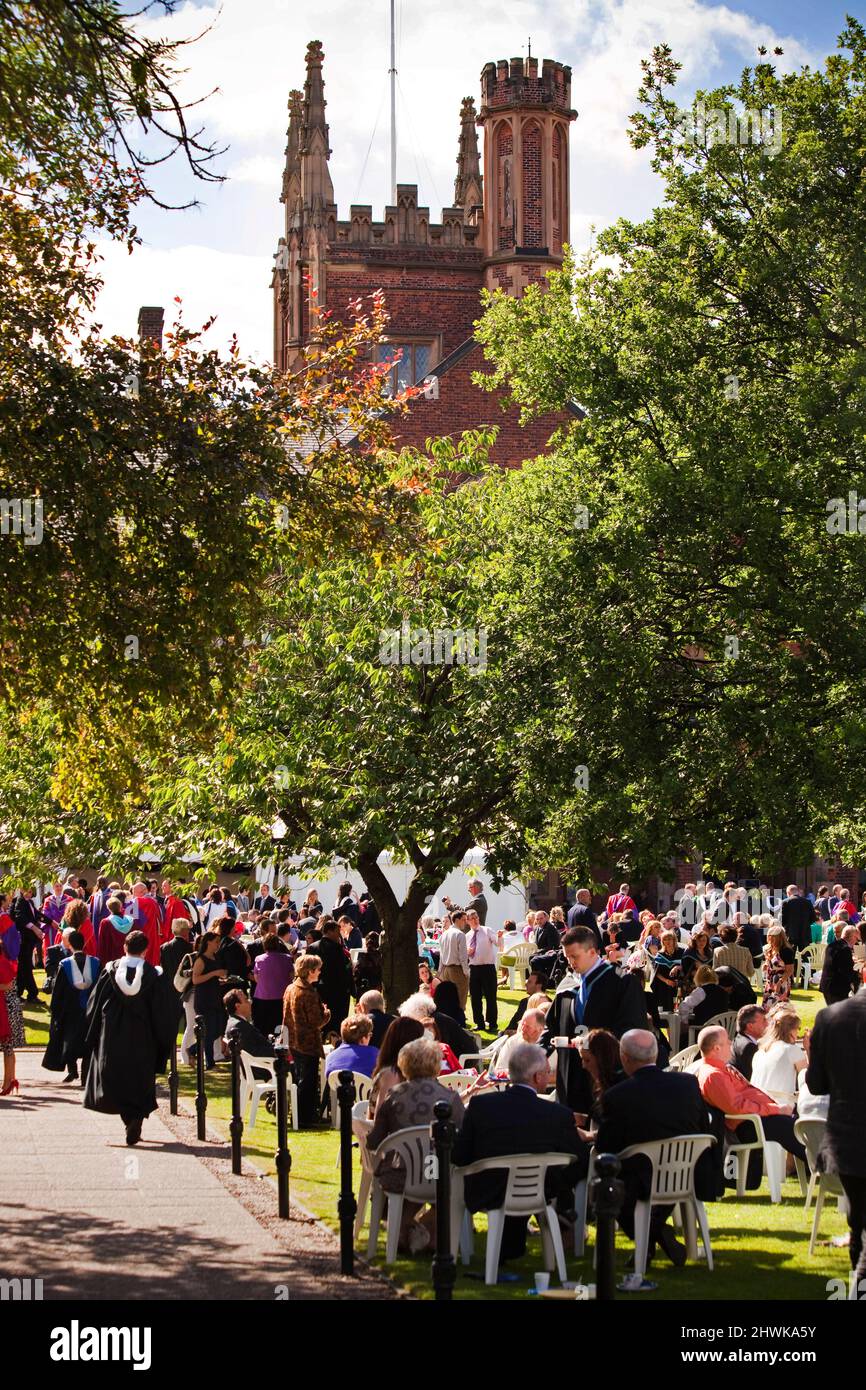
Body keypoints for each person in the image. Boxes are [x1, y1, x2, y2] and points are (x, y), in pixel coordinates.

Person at [595, 1030, 714, 1273]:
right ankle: (658, 1232)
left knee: (608, 1188)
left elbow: (606, 1148)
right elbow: (703, 1126)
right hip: (686, 1172)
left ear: (624, 1058)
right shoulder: (687, 1084)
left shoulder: (618, 1096)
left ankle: (653, 1235)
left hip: (640, 1179)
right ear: (656, 1054)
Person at [452, 1041, 584, 1261]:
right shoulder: (557, 1114)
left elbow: (460, 1155)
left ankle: (511, 1245)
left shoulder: (481, 1106)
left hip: (488, 1189)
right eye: (547, 1072)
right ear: (536, 1077)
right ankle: (561, 1219)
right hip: (537, 1191)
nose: (549, 1076)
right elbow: (578, 1158)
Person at [368, 1036, 465, 1253]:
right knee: (447, 1182)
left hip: (402, 1172)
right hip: (437, 1172)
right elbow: (463, 1139)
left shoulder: (394, 1096)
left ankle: (403, 1229)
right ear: (436, 1064)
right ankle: (431, 1236)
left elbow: (375, 1140)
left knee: (412, 1172)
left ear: (404, 1064)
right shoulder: (450, 1098)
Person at [82, 930, 176, 1145]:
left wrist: (93, 1033)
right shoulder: (154, 976)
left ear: (125, 948)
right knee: (140, 1079)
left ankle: (129, 1119)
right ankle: (135, 1119)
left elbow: (95, 1006)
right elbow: (164, 1012)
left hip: (113, 1036)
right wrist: (163, 1038)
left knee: (116, 1078)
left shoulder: (110, 972)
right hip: (143, 1036)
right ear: (145, 950)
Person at [541, 926, 649, 1112]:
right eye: (567, 957)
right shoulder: (568, 990)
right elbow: (551, 1027)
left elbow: (632, 1030)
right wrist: (537, 1055)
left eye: (575, 956)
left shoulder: (622, 983)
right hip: (570, 1078)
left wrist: (593, 1043)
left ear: (592, 952)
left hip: (606, 1078)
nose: (571, 962)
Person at [805, 985, 866, 1290]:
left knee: (858, 1221)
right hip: (848, 1135)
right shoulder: (829, 1017)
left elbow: (816, 1084)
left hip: (847, 1137)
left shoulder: (830, 1017)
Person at [696, 1025, 806, 1181]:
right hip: (750, 1124)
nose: (730, 1044)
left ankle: (824, 1162)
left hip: (758, 1119)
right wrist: (775, 1109)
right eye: (727, 1041)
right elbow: (737, 1107)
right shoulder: (713, 1075)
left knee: (800, 1126)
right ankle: (828, 1165)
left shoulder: (720, 1069)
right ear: (716, 1048)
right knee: (796, 1129)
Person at [42, 928, 100, 1083]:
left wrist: (55, 1011)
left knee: (69, 1040)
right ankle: (86, 1075)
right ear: (85, 943)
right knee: (88, 1042)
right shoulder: (95, 963)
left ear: (70, 946)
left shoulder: (64, 964)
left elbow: (58, 991)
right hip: (90, 1009)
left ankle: (72, 1071)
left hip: (70, 1011)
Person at [282, 953, 330, 1125]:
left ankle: (299, 1115)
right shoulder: (308, 993)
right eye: (317, 970)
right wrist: (326, 1013)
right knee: (307, 1083)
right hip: (307, 1042)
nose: (319, 972)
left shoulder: (291, 988)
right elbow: (316, 1021)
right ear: (310, 971)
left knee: (299, 1079)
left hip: (292, 1040)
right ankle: (305, 1118)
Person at [368, 1016, 425, 1115]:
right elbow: (380, 1117)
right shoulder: (391, 1074)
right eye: (420, 1039)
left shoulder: (410, 1072)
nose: (423, 1044)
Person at [306, 915, 353, 1035]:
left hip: (318, 989)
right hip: (336, 990)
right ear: (330, 931)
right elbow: (344, 970)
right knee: (335, 1021)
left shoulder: (312, 947)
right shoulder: (337, 948)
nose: (339, 935)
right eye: (337, 932)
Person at [160, 918, 196, 1065]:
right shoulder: (189, 948)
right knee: (189, 1023)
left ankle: (170, 1051)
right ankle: (187, 1053)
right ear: (184, 930)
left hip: (170, 988)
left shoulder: (164, 947)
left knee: (172, 1022)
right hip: (186, 988)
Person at [191, 931, 229, 1069]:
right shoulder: (200, 959)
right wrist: (214, 973)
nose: (218, 944)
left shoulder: (215, 957)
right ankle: (210, 1061)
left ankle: (193, 1049)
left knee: (219, 1028)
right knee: (208, 1030)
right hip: (204, 999)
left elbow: (213, 978)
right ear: (209, 942)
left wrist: (220, 979)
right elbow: (195, 979)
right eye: (216, 942)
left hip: (215, 996)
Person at [751, 1006, 807, 1098]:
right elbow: (808, 1081)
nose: (798, 1032)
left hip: (757, 1105)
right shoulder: (792, 1050)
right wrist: (809, 1049)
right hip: (781, 1107)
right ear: (791, 1031)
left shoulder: (760, 1052)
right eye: (798, 1029)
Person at [222, 988, 275, 1073]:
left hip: (255, 1067)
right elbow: (254, 1052)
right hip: (261, 1070)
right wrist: (277, 1050)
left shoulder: (234, 1022)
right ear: (237, 1006)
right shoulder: (239, 1026)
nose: (250, 1002)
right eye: (246, 1000)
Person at [251, 934, 294, 1035]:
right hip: (282, 998)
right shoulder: (287, 958)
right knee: (281, 1029)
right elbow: (292, 976)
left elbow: (257, 978)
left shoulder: (259, 959)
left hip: (262, 998)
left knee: (263, 1028)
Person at [0, 907, 23, 1095]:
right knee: (8, 1047)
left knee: (8, 1046)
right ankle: (9, 1080)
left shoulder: (3, 962)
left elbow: (7, 985)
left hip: (7, 1007)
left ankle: (8, 1081)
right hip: (6, 1005)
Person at [466, 910, 499, 1032]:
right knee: (475, 997)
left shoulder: (487, 930)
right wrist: (467, 952)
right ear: (468, 921)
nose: (475, 920)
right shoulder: (467, 936)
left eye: (476, 917)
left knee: (491, 997)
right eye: (472, 918)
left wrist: (499, 937)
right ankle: (479, 1023)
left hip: (488, 968)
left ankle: (492, 1023)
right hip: (474, 968)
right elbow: (465, 954)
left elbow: (498, 943)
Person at [491, 1007, 548, 1076]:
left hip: (547, 1086)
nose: (523, 1029)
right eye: (522, 1024)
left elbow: (558, 1076)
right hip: (516, 1084)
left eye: (527, 1026)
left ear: (540, 1029)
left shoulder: (550, 1044)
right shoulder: (513, 1041)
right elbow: (499, 1070)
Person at [11, 887, 43, 1002]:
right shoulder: (19, 901)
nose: (30, 894)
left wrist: (50, 922)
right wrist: (34, 928)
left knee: (24, 967)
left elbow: (37, 914)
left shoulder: (29, 902)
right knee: (25, 966)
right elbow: (20, 918)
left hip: (28, 940)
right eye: (28, 891)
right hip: (23, 939)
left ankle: (22, 993)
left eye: (31, 892)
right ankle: (30, 994)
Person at [324, 1014, 378, 1079]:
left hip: (337, 1089)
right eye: (370, 1035)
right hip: (367, 1089)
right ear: (363, 1039)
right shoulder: (376, 1055)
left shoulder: (330, 1057)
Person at [437, 910, 470, 1009]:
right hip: (457, 969)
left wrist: (440, 972)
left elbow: (441, 956)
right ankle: (460, 1019)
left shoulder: (444, 934)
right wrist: (466, 971)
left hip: (446, 969)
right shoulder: (460, 934)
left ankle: (451, 1017)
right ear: (456, 920)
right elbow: (463, 956)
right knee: (460, 996)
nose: (465, 922)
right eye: (464, 920)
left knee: (448, 996)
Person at [822, 924, 861, 1005]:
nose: (856, 942)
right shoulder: (845, 949)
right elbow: (846, 971)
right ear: (852, 937)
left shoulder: (832, 945)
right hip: (836, 988)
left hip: (827, 984)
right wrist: (858, 975)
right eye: (857, 939)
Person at [127, 882, 163, 965]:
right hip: (154, 937)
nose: (133, 896)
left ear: (140, 892)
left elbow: (129, 919)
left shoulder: (138, 901)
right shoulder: (154, 902)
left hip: (141, 940)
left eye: (133, 893)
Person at [729, 1004, 767, 1081]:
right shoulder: (748, 1047)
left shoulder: (740, 1039)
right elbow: (756, 1078)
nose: (767, 1024)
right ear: (750, 1026)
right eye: (764, 1020)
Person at [762, 925, 796, 1006]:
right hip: (770, 981)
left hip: (781, 982)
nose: (770, 939)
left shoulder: (786, 950)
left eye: (772, 937)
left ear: (779, 937)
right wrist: (766, 965)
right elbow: (770, 963)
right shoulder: (770, 948)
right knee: (766, 1007)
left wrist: (780, 982)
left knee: (779, 1007)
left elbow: (790, 970)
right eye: (769, 936)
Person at [780, 884, 816, 953]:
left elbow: (782, 920)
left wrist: (787, 927)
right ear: (797, 892)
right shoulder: (807, 902)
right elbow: (813, 918)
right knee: (805, 958)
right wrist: (805, 924)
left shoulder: (786, 902)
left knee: (791, 957)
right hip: (805, 933)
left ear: (788, 893)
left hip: (791, 934)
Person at [352, 931, 383, 997]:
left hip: (364, 991)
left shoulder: (363, 957)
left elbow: (356, 975)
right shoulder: (382, 957)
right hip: (376, 990)